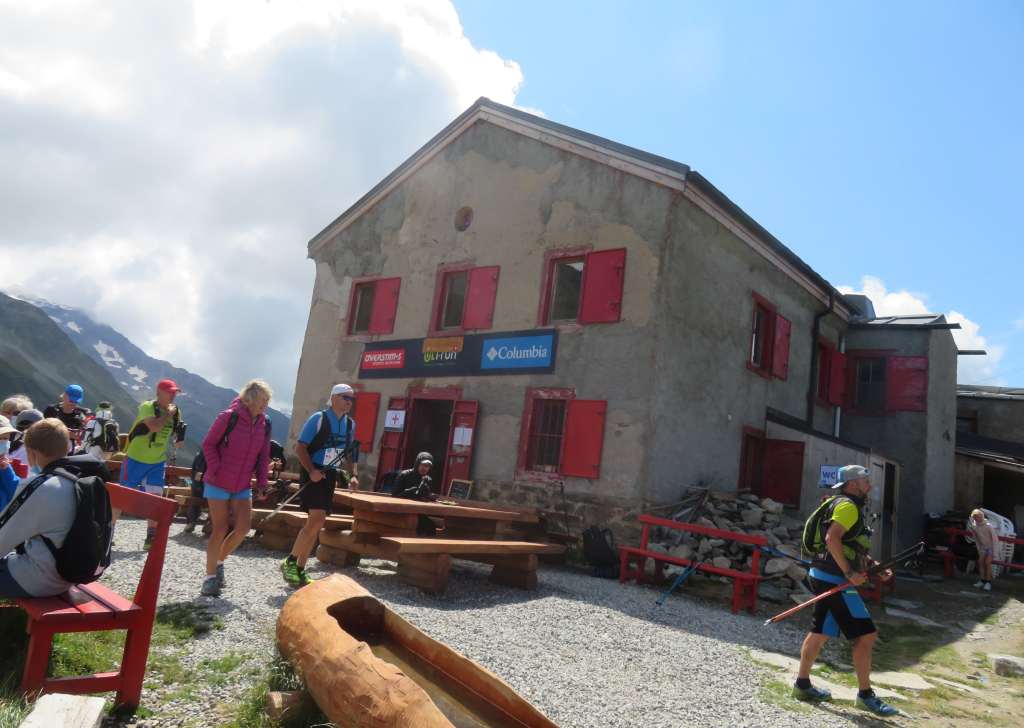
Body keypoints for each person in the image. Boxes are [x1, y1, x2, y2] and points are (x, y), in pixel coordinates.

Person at [793, 464, 897, 717]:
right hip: (835, 579)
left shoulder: (839, 503)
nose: (869, 484)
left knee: (820, 631)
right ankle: (865, 695)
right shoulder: (848, 507)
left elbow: (851, 545)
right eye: (865, 480)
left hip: (821, 572)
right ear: (852, 484)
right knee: (866, 636)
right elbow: (832, 539)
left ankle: (802, 685)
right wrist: (850, 574)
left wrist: (872, 566)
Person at [198, 380, 272, 597]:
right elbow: (208, 444)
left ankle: (219, 562)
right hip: (218, 481)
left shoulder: (265, 423)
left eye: (268, 401)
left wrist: (262, 483)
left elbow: (263, 455)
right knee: (219, 529)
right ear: (250, 399)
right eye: (262, 400)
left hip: (242, 484)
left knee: (242, 529)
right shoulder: (228, 417)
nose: (265, 405)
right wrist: (217, 468)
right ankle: (209, 578)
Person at [281, 383, 360, 587]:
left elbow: (350, 452)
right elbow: (300, 447)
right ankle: (290, 562)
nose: (349, 401)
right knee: (316, 518)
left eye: (352, 399)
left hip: (329, 474)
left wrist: (353, 475)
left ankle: (299, 568)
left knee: (317, 522)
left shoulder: (350, 424)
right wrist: (311, 471)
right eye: (345, 397)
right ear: (333, 397)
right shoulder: (319, 419)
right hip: (313, 471)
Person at [0, 419, 77, 598]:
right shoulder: (78, 478)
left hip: (39, 580)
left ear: (32, 453)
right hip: (68, 575)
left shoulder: (38, 487)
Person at [121, 379, 185, 550]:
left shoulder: (176, 412)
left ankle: (150, 538)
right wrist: (168, 415)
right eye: (170, 392)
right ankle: (108, 532)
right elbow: (155, 427)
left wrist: (179, 438)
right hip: (135, 458)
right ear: (159, 393)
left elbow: (175, 433)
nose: (173, 395)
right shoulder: (147, 407)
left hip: (157, 462)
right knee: (120, 497)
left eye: (175, 392)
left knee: (156, 499)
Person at [969, 508, 998, 592]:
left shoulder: (989, 526)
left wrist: (994, 552)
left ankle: (988, 582)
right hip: (982, 548)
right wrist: (979, 549)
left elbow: (995, 539)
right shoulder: (974, 526)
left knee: (987, 563)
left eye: (980, 516)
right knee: (980, 563)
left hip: (990, 548)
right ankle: (982, 580)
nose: (979, 518)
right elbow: (977, 539)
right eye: (976, 517)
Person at [0, 416, 22, 511]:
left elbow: (15, 492)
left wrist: (6, 470)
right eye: (0, 438)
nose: (4, 443)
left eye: (6, 439)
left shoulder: (4, 464)